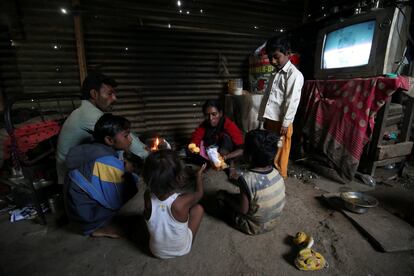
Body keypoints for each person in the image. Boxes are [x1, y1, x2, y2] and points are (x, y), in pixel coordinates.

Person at [56, 72, 149, 184]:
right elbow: (128, 140)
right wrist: (150, 155)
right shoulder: (89, 115)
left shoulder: (84, 111)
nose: (115, 98)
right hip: (73, 180)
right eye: (110, 94)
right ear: (94, 94)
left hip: (78, 171)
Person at [64, 114, 139, 238]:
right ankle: (96, 227)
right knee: (126, 190)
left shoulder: (95, 150)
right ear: (109, 140)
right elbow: (114, 201)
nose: (130, 140)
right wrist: (128, 173)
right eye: (125, 136)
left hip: (77, 209)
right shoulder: (106, 162)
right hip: (85, 217)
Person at [217, 129, 285, 235]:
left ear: (249, 156)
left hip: (254, 226)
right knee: (250, 196)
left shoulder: (245, 179)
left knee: (221, 196)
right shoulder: (277, 173)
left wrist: (226, 197)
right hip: (274, 221)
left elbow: (242, 210)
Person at [143, 150, 206, 259]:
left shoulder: (147, 196)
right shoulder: (181, 202)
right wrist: (199, 176)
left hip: (156, 252)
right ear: (178, 178)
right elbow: (199, 193)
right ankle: (184, 243)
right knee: (198, 209)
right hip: (182, 249)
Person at [258, 36, 304, 178]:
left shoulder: (294, 75)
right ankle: (270, 176)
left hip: (283, 122)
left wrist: (286, 122)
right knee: (270, 149)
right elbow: (269, 98)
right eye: (270, 57)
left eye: (276, 57)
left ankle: (280, 178)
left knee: (281, 152)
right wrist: (263, 117)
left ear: (288, 54)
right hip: (271, 120)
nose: (272, 61)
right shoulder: (275, 73)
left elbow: (292, 101)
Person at [189, 99, 243, 168]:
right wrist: (193, 147)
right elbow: (195, 139)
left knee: (225, 137)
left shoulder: (229, 125)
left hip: (227, 155)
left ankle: (229, 165)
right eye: (207, 115)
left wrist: (226, 157)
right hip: (212, 155)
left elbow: (241, 150)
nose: (211, 118)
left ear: (220, 113)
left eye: (214, 114)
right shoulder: (204, 125)